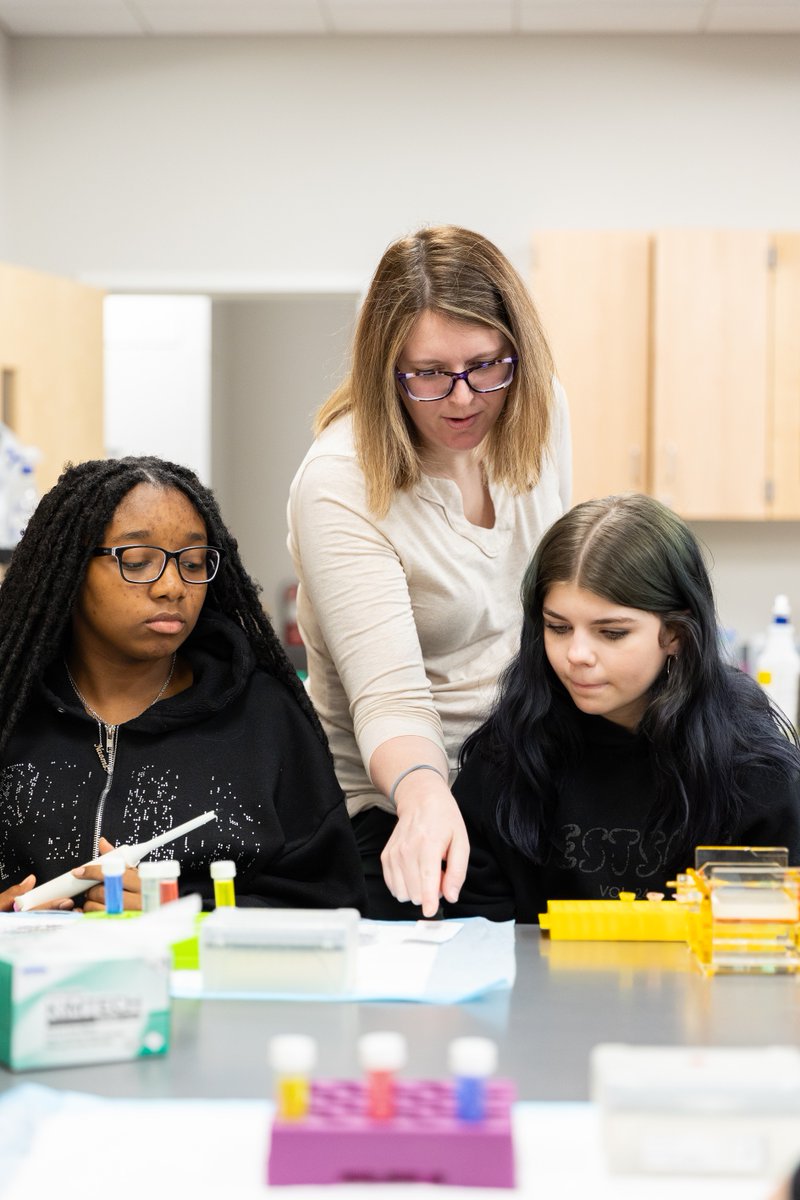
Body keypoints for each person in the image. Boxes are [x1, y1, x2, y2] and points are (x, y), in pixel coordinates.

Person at [287, 225, 571, 918]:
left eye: (486, 365)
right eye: (430, 374)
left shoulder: (537, 411)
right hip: (400, 813)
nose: (464, 398)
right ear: (384, 369)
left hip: (521, 785)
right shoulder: (340, 481)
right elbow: (389, 698)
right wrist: (423, 794)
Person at [0, 456, 366, 913]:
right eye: (138, 562)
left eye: (193, 563)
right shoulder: (12, 706)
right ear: (69, 568)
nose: (173, 586)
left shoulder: (265, 719)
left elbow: (333, 903)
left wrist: (183, 909)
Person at [444, 494, 800, 922]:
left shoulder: (751, 768)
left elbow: (764, 939)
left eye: (611, 633)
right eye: (558, 627)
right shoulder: (508, 754)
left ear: (675, 634)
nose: (576, 655)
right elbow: (476, 932)